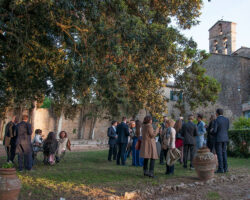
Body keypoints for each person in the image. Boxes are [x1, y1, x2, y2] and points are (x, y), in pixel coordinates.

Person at [213, 108, 229, 173]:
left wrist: (211, 130)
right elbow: (227, 128)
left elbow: (215, 131)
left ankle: (220, 168)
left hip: (219, 138)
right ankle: (226, 168)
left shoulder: (217, 120)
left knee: (219, 153)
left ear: (217, 113)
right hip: (225, 138)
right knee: (224, 152)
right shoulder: (227, 119)